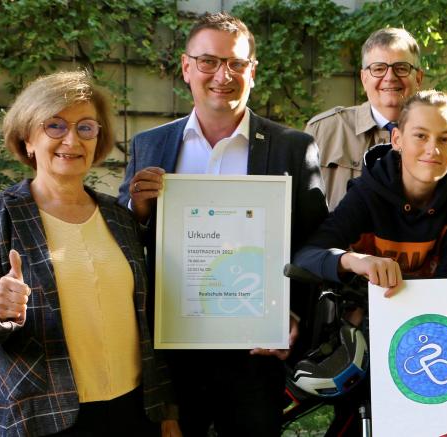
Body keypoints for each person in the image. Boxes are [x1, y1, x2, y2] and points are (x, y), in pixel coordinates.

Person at [117, 12, 327, 436]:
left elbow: (316, 243)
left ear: (252, 71)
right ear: (187, 67)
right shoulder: (150, 144)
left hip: (253, 349)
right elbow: (123, 243)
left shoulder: (292, 148)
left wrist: (294, 316)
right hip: (173, 348)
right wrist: (137, 210)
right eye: (209, 61)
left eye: (235, 63)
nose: (222, 75)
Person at [0, 71, 179, 436]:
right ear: (28, 139)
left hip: (134, 412)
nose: (72, 139)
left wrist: (166, 410)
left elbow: (145, 320)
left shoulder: (119, 216)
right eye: (54, 126)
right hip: (43, 416)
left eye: (86, 127)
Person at [295, 90, 447, 435]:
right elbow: (308, 254)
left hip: (432, 337)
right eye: (420, 136)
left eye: (444, 139)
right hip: (367, 339)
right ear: (397, 139)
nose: (432, 149)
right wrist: (355, 261)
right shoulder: (367, 192)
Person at [304, 27, 447, 276]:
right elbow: (306, 231)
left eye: (401, 68)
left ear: (419, 77)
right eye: (378, 68)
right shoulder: (324, 131)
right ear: (364, 78)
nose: (390, 77)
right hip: (349, 290)